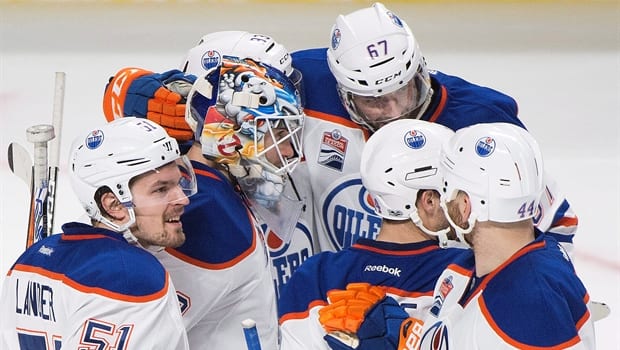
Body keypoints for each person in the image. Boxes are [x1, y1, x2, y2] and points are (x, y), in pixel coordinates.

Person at [291, 2, 578, 253]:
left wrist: (545, 285)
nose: (394, 112)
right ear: (345, 94)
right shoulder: (307, 84)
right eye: (375, 101)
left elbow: (554, 224)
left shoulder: (481, 119)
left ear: (420, 71)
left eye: (404, 91)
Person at [319, 123, 596, 350]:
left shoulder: (529, 303)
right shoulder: (470, 271)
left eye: (445, 191)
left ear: (466, 206)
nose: (439, 203)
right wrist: (406, 337)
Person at [107, 56, 306, 349]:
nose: (290, 151)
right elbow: (138, 335)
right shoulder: (211, 214)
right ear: (229, 133)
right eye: (276, 134)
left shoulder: (213, 191)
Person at [0, 117, 196, 349]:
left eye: (178, 183)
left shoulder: (29, 262)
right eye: (161, 189)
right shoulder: (131, 275)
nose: (182, 198)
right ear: (114, 205)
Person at [278, 119, 470, 349]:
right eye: (457, 191)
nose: (465, 203)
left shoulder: (315, 274)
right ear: (429, 200)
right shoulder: (464, 270)